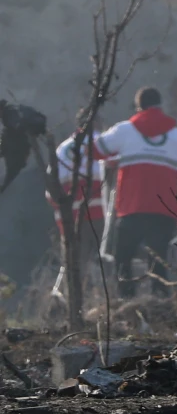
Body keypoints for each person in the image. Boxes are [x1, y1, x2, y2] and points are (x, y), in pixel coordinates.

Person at [93, 87, 177, 298]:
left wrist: (121, 159)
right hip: (165, 209)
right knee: (158, 259)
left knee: (123, 256)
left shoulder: (124, 130)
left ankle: (126, 298)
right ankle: (160, 299)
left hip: (132, 207)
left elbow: (95, 150)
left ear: (138, 106)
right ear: (161, 107)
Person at [46, 116, 106, 299]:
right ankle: (101, 303)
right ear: (98, 123)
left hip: (69, 219)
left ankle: (70, 306)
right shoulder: (104, 144)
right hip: (100, 216)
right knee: (102, 265)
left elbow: (50, 191)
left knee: (74, 266)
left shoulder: (62, 149)